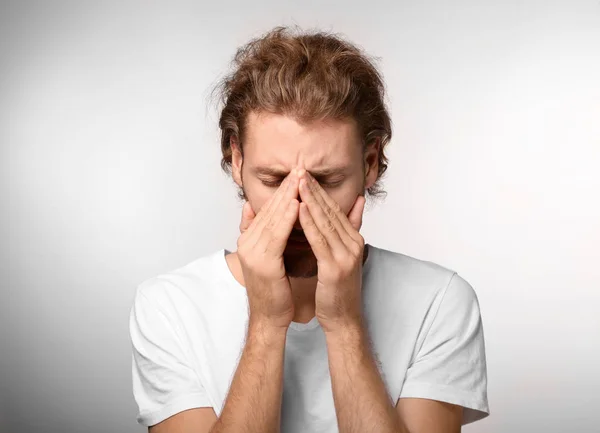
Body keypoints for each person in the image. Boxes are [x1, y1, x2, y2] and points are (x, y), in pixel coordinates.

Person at [129, 26, 489, 433]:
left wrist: (345, 323)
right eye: (272, 180)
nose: (299, 209)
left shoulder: (439, 302)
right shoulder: (169, 307)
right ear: (237, 160)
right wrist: (266, 324)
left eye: (327, 181)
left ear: (370, 163)